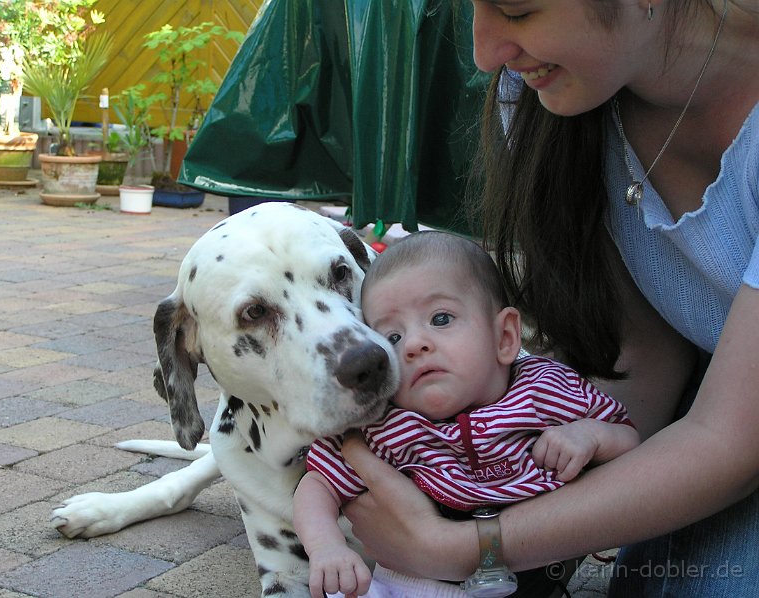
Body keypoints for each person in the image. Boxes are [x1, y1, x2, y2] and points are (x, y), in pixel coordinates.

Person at [337, 1, 759, 596]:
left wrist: (469, 546)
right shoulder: (551, 97)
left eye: (516, 10)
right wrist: (487, 478)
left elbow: (732, 443)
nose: (485, 53)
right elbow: (644, 358)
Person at [293, 231, 639, 598]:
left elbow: (629, 439)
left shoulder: (546, 392)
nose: (413, 344)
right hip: (412, 586)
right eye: (391, 337)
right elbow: (316, 485)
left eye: (440, 318)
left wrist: (590, 436)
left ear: (505, 336)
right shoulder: (385, 425)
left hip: (535, 578)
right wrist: (326, 547)